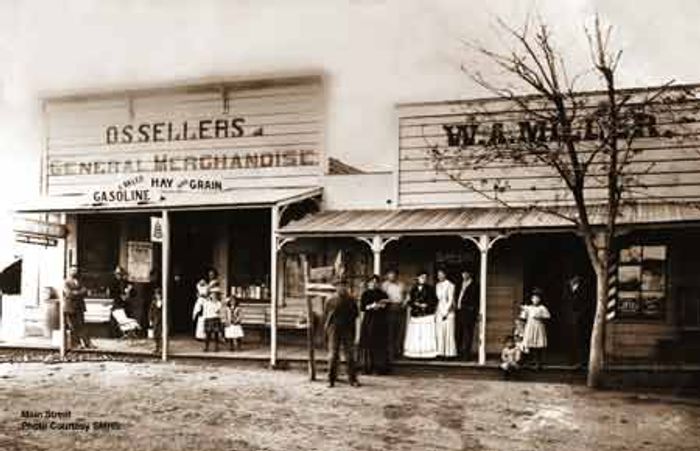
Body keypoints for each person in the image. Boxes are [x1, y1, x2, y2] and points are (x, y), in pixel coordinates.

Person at [324, 278, 360, 388]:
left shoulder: (351, 300)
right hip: (334, 328)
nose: (342, 288)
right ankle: (331, 379)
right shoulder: (330, 300)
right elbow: (327, 316)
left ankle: (352, 379)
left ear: (347, 287)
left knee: (350, 355)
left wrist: (356, 333)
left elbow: (356, 316)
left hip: (348, 328)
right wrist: (326, 330)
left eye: (344, 285)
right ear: (336, 287)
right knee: (333, 355)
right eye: (339, 286)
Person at [358, 275, 390, 375]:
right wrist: (372, 306)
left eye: (376, 282)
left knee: (379, 344)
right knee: (367, 343)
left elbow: (387, 306)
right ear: (368, 283)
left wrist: (381, 306)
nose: (374, 284)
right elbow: (362, 307)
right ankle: (366, 367)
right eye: (372, 282)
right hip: (369, 320)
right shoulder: (365, 294)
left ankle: (379, 368)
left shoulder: (382, 294)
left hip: (380, 321)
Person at [403, 270, 438, 359]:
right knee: (416, 333)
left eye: (425, 278)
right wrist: (415, 304)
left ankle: (427, 353)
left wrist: (427, 305)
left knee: (426, 333)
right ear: (418, 278)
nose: (423, 279)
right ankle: (415, 353)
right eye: (422, 277)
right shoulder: (413, 289)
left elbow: (434, 300)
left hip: (426, 314)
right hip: (416, 313)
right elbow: (410, 300)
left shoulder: (430, 289)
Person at [62, 265, 94, 349]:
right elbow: (69, 294)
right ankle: (76, 344)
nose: (74, 272)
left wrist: (77, 293)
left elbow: (85, 291)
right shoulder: (66, 282)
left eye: (76, 270)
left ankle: (88, 343)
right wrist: (79, 293)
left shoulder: (80, 281)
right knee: (73, 327)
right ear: (69, 272)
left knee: (82, 326)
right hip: (70, 307)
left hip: (79, 307)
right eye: (73, 270)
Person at [566, 274, 594, 368]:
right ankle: (573, 361)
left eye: (573, 281)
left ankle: (582, 361)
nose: (571, 283)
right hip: (572, 319)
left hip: (581, 320)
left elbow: (585, 304)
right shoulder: (569, 290)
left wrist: (579, 315)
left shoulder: (582, 291)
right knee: (572, 340)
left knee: (580, 340)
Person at [520, 288, 551, 370]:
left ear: (540, 299)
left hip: (538, 327)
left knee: (538, 344)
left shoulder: (542, 308)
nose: (535, 300)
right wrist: (524, 311)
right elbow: (523, 317)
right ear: (531, 299)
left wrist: (539, 316)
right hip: (530, 327)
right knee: (529, 343)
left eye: (537, 298)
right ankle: (530, 362)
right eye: (534, 298)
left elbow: (548, 316)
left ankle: (538, 363)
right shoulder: (529, 308)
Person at [381, 269, 406, 360]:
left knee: (399, 331)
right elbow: (381, 297)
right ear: (387, 275)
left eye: (394, 274)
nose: (392, 276)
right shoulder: (384, 285)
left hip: (400, 309)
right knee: (390, 332)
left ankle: (398, 351)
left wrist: (405, 301)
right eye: (390, 274)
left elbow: (405, 295)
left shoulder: (401, 284)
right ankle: (390, 353)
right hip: (390, 309)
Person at [455, 270, 478, 360]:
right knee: (459, 333)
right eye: (463, 273)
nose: (464, 275)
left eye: (466, 273)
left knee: (468, 334)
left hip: (468, 312)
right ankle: (459, 353)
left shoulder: (474, 285)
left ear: (470, 274)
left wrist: (474, 311)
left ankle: (467, 355)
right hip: (460, 311)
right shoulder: (460, 284)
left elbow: (476, 300)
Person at [435, 268, 457, 358]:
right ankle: (440, 352)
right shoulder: (437, 285)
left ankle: (449, 353)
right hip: (439, 310)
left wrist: (445, 312)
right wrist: (438, 312)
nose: (439, 276)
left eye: (441, 274)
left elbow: (451, 299)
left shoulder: (450, 285)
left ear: (445, 274)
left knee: (449, 332)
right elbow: (438, 299)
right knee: (439, 332)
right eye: (438, 274)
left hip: (448, 311)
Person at [199, 286, 222, 352]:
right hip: (208, 319)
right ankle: (206, 347)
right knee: (208, 334)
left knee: (216, 334)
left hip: (215, 318)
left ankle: (216, 347)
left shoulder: (218, 303)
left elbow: (217, 310)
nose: (213, 296)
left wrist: (215, 303)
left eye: (215, 295)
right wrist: (204, 319)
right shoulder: (206, 303)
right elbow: (205, 311)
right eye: (212, 295)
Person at [148, 287, 163, 354]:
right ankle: (156, 348)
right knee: (155, 335)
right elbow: (150, 312)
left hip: (162, 320)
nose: (158, 296)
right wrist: (150, 320)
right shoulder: (153, 302)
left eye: (159, 294)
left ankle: (161, 349)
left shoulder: (164, 302)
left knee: (161, 335)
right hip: (155, 320)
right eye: (156, 294)